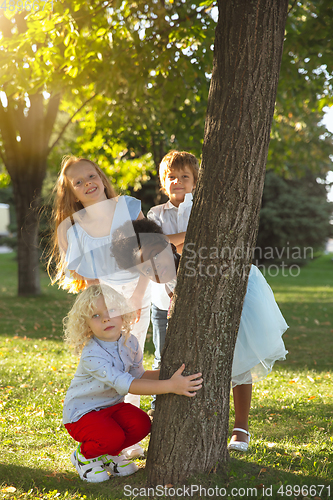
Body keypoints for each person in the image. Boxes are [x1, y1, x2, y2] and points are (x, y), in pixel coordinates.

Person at [111, 218, 288, 453]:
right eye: (145, 267)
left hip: (241, 295)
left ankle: (241, 427)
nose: (154, 266)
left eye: (155, 254)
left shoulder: (196, 260)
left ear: (169, 246)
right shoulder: (166, 281)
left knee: (240, 359)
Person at [47, 155, 152, 458]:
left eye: (90, 176)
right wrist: (108, 310)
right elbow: (88, 280)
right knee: (110, 364)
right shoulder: (71, 229)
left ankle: (129, 436)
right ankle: (108, 429)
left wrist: (136, 298)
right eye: (77, 182)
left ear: (101, 177)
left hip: (138, 292)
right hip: (105, 304)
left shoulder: (129, 207)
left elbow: (150, 251)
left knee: (132, 358)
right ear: (71, 193)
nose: (87, 183)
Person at [62, 284, 203, 483]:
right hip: (82, 414)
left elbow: (139, 375)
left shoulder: (130, 342)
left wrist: (171, 375)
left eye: (111, 311)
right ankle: (85, 456)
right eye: (95, 316)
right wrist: (171, 386)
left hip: (111, 407)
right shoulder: (92, 354)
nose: (105, 318)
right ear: (86, 325)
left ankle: (110, 454)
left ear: (122, 313)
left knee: (141, 424)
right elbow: (129, 384)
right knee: (111, 436)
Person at [146, 151, 199, 412]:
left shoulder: (202, 209)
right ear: (163, 182)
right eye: (171, 177)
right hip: (162, 296)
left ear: (195, 182)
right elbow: (154, 245)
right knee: (162, 352)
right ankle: (158, 406)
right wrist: (188, 235)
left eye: (184, 177)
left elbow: (197, 243)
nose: (177, 181)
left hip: (195, 293)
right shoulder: (155, 214)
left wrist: (171, 241)